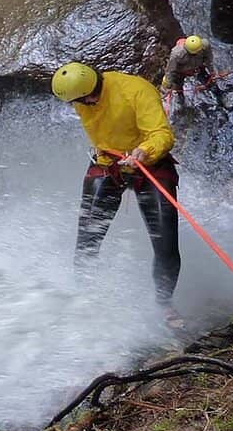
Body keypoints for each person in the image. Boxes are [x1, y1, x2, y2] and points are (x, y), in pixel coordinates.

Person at [51, 61, 182, 313]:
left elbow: (162, 134)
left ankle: (164, 305)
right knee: (87, 239)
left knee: (165, 243)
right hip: (108, 163)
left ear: (90, 92)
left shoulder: (136, 91)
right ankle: (83, 297)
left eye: (81, 101)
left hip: (149, 165)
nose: (78, 107)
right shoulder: (81, 96)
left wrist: (143, 151)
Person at [161, 34, 224, 109]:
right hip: (181, 71)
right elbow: (170, 70)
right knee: (178, 86)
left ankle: (221, 99)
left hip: (198, 67)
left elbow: (208, 60)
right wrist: (168, 84)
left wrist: (212, 72)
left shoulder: (204, 46)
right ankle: (181, 101)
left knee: (211, 84)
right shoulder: (177, 54)